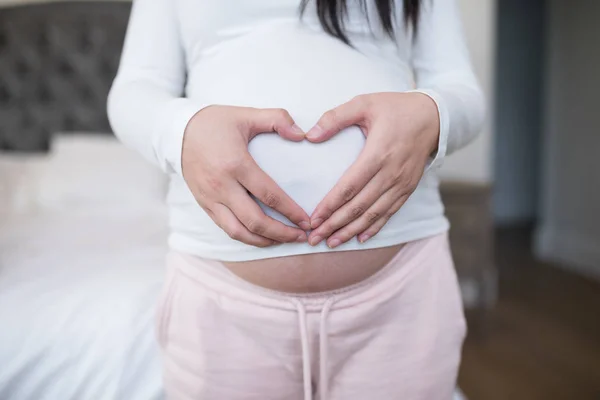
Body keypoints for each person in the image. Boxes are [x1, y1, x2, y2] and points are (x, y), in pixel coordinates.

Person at [108, 0, 484, 398]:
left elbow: (459, 85)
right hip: (222, 306)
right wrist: (182, 129)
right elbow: (135, 88)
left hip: (400, 295)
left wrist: (433, 113)